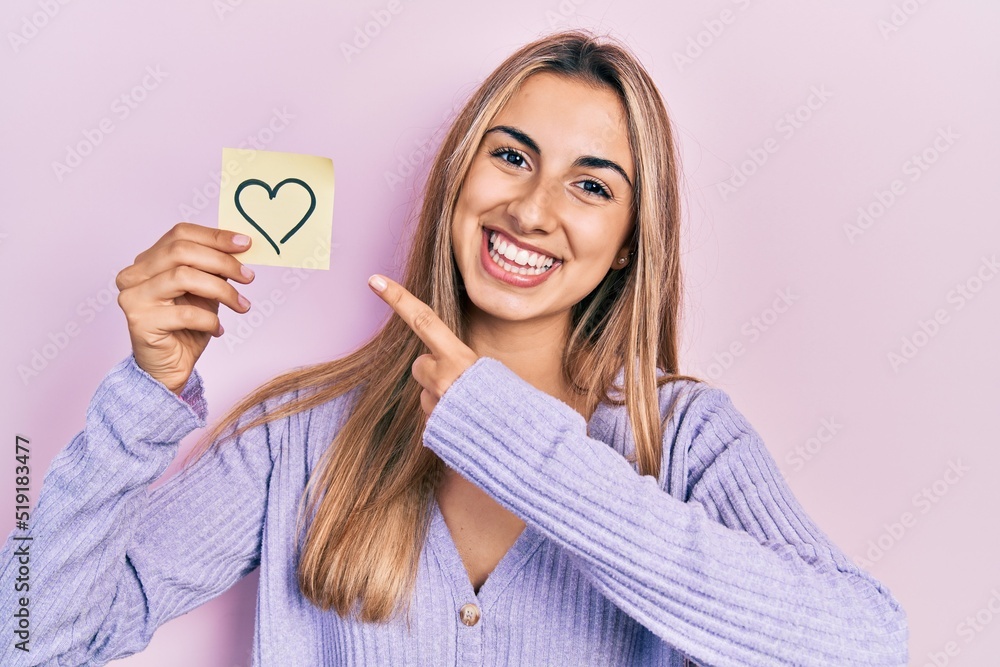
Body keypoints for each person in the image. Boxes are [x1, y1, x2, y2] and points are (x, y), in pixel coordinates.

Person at [0, 29, 907, 667]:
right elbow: (28, 634)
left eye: (591, 185)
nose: (533, 208)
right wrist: (143, 402)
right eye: (511, 156)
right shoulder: (302, 436)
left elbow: (863, 648)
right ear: (460, 174)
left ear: (631, 238)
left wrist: (521, 448)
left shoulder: (686, 439)